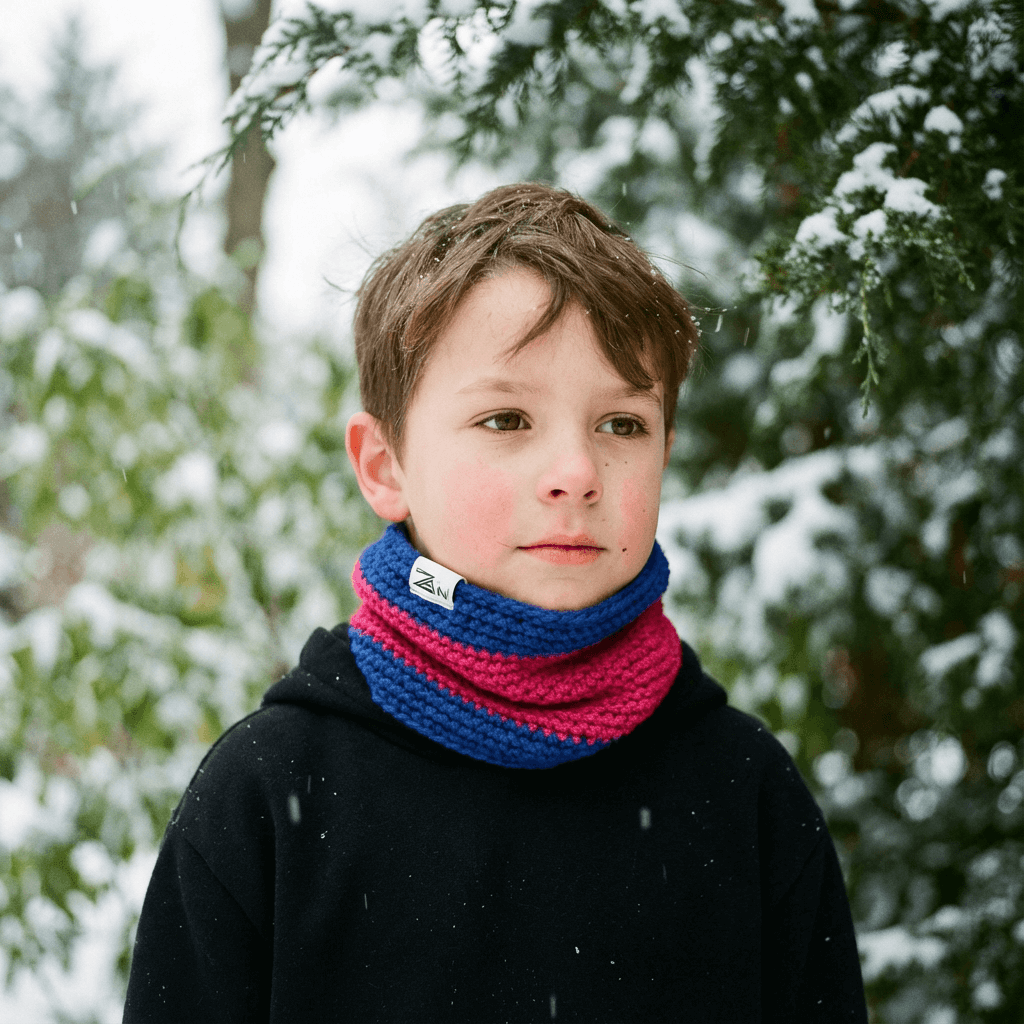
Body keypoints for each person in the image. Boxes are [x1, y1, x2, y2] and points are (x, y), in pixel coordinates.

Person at [123, 183, 867, 1022]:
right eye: (507, 419)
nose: (576, 473)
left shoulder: (745, 795)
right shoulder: (265, 796)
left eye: (622, 424)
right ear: (384, 467)